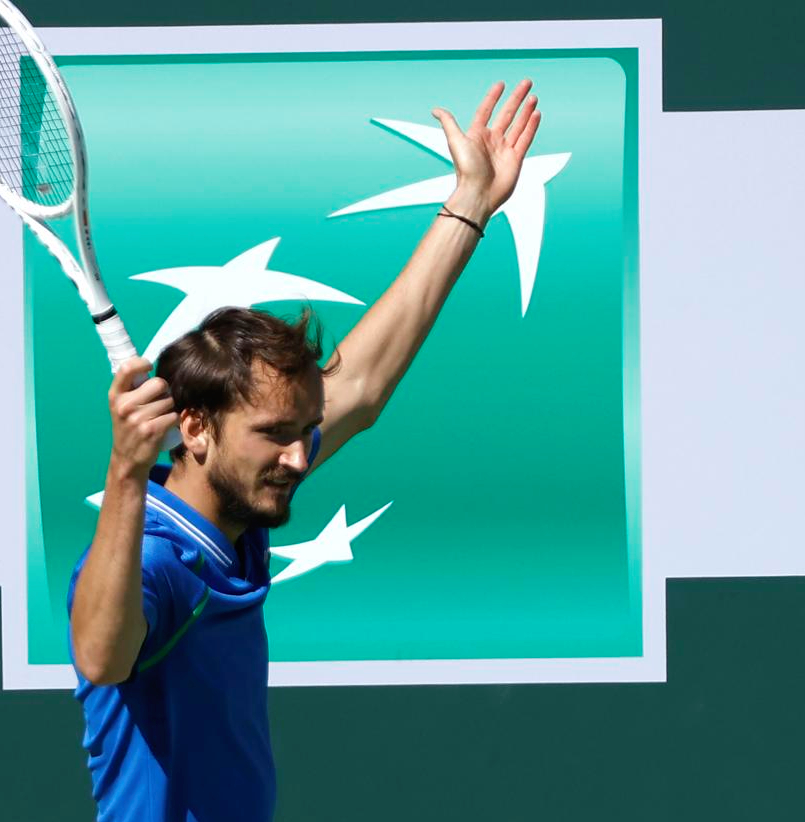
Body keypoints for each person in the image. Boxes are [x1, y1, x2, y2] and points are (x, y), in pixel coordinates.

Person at [67, 79, 542, 821]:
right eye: (275, 436)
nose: (299, 458)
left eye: (301, 432)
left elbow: (364, 382)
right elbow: (102, 655)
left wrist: (471, 204)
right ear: (194, 429)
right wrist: (124, 472)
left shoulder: (237, 507)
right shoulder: (154, 561)